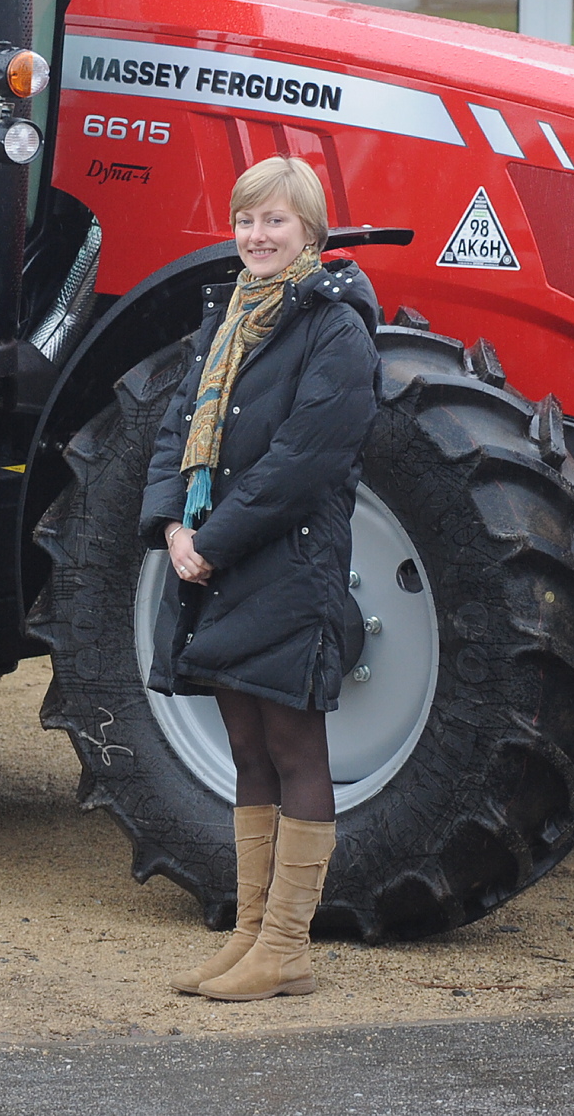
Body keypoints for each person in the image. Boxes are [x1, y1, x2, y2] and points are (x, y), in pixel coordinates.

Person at [141, 156, 379, 1002]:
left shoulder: (336, 327)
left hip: (288, 564)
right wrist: (171, 527)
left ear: (309, 231)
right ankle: (249, 934)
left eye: (274, 220)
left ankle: (286, 948)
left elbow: (304, 461)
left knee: (294, 748)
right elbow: (176, 428)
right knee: (246, 747)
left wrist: (210, 542)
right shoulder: (230, 316)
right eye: (245, 219)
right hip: (219, 560)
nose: (256, 235)